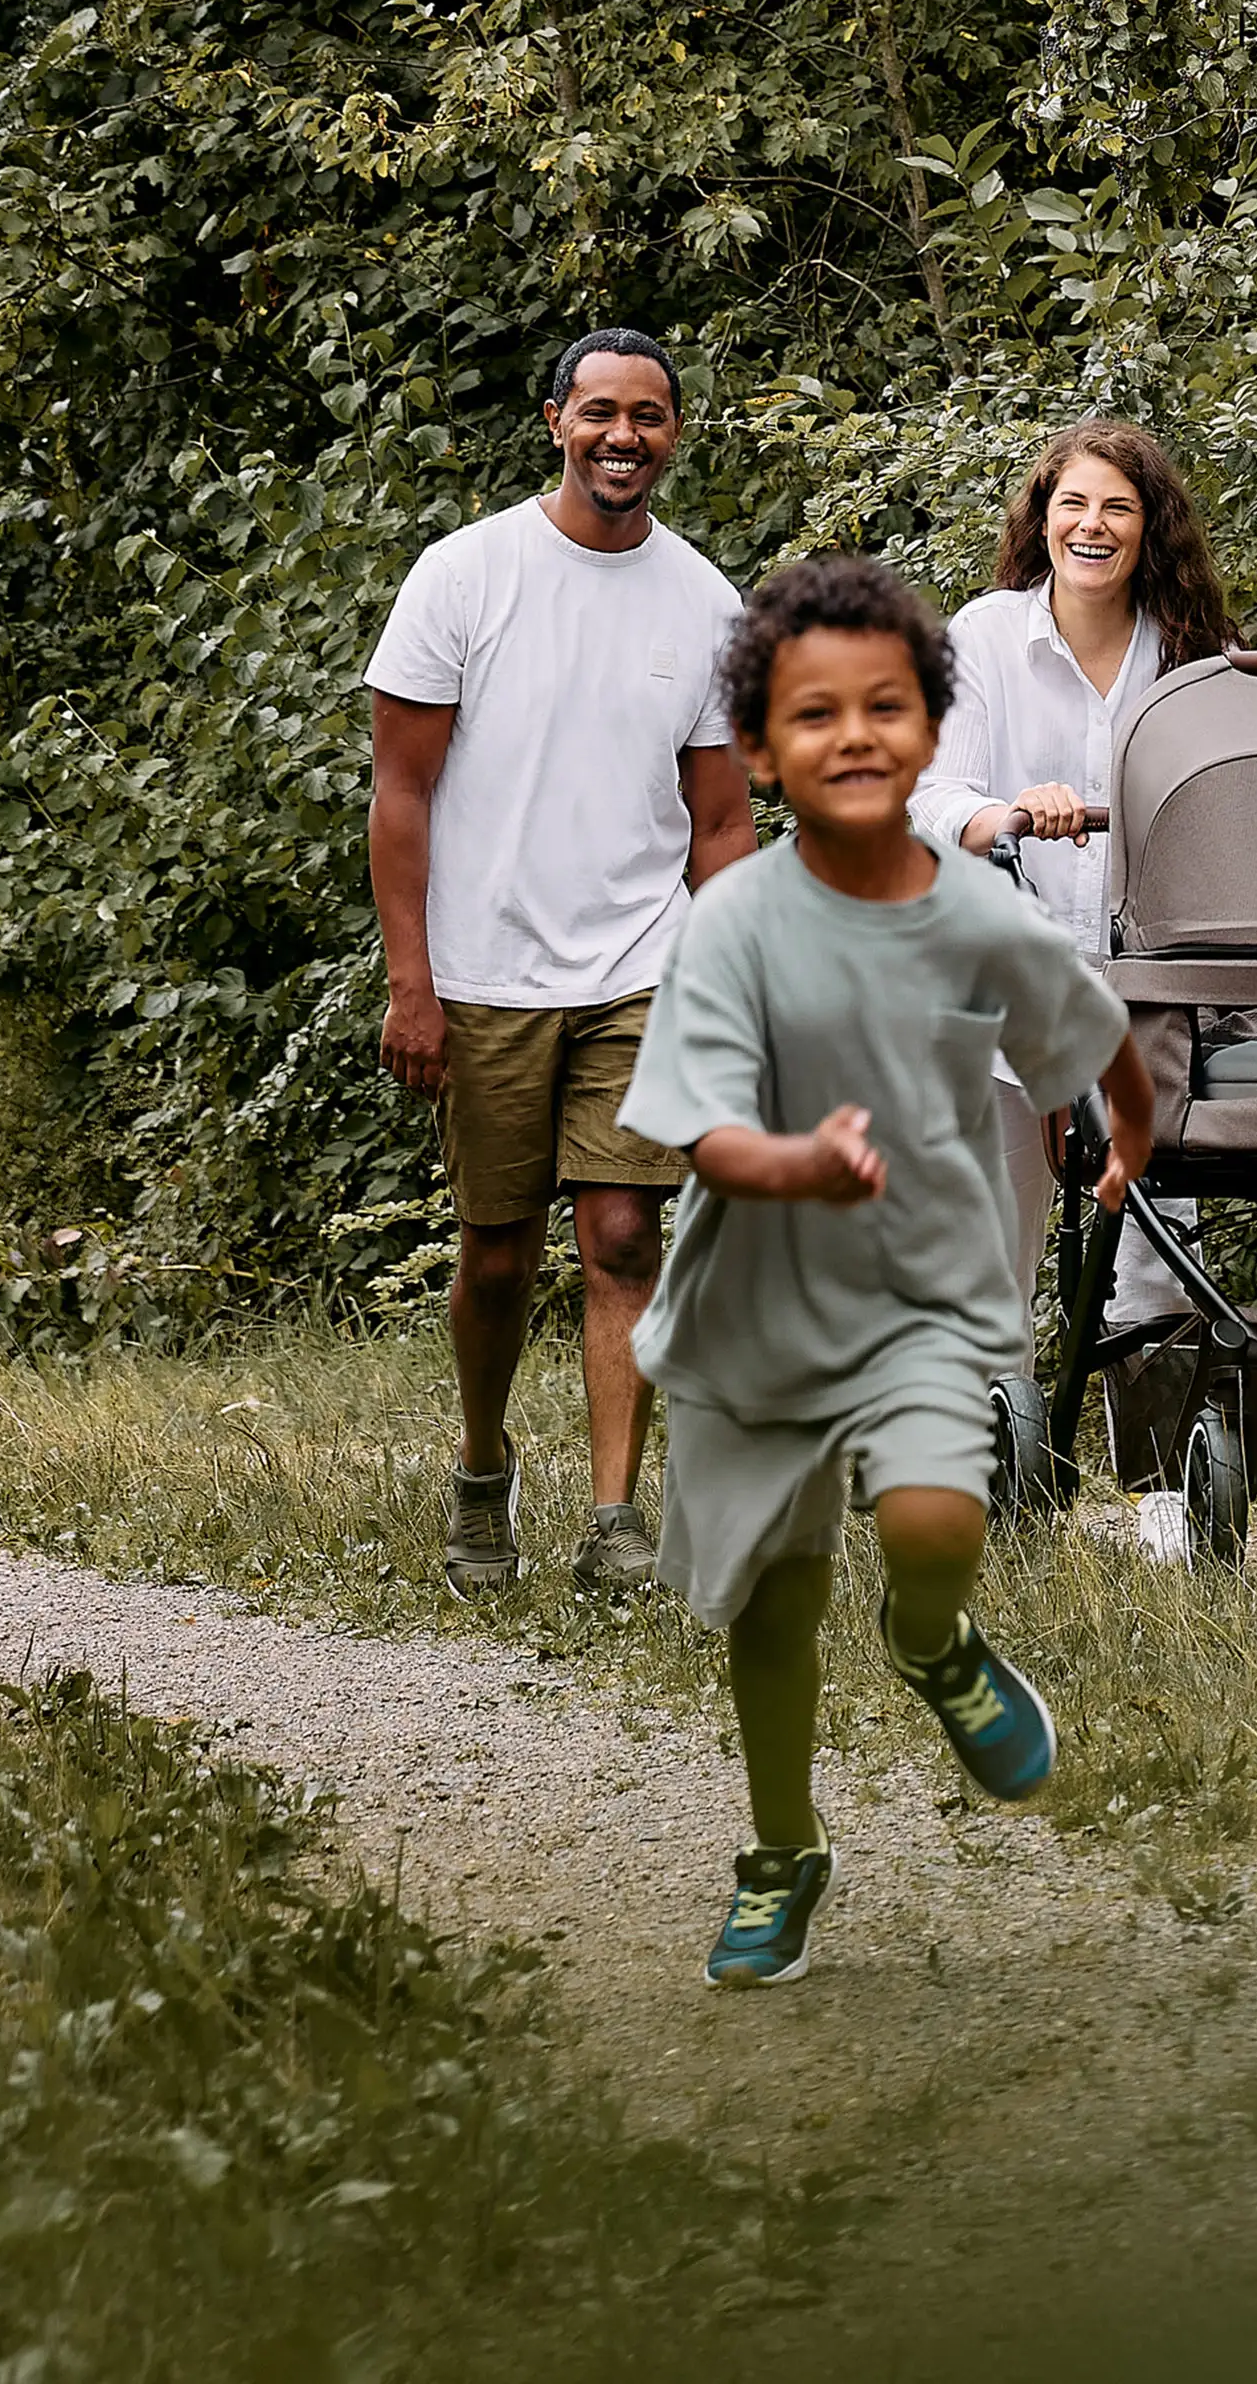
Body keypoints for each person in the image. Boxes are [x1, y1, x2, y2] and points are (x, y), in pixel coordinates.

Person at [618, 556, 1155, 1987]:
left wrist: (1135, 1133)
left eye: (885, 708)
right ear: (759, 750)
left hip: (919, 1287)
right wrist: (795, 1163)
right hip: (761, 1304)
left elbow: (1088, 1023)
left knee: (931, 1518)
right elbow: (704, 1129)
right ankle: (782, 1849)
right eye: (813, 715)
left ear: (930, 731)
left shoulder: (977, 910)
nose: (853, 736)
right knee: (776, 1601)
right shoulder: (731, 922)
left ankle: (935, 1641)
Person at [367, 327, 758, 1600]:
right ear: (555, 423)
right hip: (483, 972)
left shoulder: (704, 604)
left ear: (675, 436)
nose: (622, 437)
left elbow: (719, 825)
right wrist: (411, 985)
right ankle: (484, 1473)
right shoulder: (465, 576)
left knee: (624, 1231)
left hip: (640, 967)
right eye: (600, 412)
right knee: (493, 1251)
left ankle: (612, 1517)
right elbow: (402, 794)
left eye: (648, 416)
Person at [906, 419, 1232, 1553]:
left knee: (1154, 1240)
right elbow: (930, 791)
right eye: (1072, 506)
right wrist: (1000, 814)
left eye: (1117, 510)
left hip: (1143, 991)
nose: (1091, 527)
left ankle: (1158, 1504)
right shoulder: (986, 637)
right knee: (998, 1241)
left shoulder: (1186, 651)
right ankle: (1000, 1480)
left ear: (1150, 534)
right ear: (1039, 519)